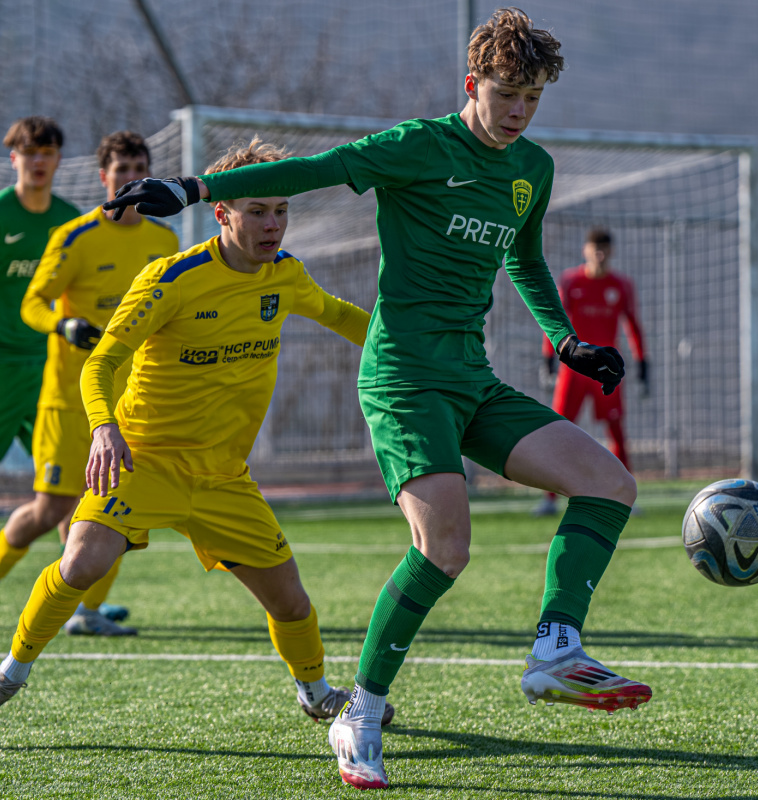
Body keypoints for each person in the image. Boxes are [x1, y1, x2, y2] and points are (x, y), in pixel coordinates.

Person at [100, 8, 652, 789]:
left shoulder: (533, 166)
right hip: (401, 377)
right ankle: (358, 714)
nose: (520, 111)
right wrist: (193, 187)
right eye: (506, 94)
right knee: (445, 549)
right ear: (473, 85)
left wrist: (563, 340)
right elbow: (310, 172)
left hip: (471, 376)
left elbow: (524, 258)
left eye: (532, 97)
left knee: (609, 481)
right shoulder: (418, 146)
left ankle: (556, 649)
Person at [0, 136, 394, 728]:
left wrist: (405, 355)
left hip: (223, 479)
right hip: (144, 462)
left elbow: (337, 313)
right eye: (257, 211)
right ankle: (10, 673)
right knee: (81, 560)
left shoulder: (286, 276)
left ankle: (315, 692)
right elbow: (102, 363)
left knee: (291, 600)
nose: (273, 225)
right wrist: (105, 430)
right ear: (223, 213)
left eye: (281, 210)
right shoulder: (172, 278)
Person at [0, 131, 180, 637]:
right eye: (121, 170)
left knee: (119, 506)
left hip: (131, 403)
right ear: (104, 178)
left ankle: (88, 612)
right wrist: (63, 325)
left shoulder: (164, 242)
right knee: (51, 509)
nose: (130, 178)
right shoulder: (76, 236)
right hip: (69, 399)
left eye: (139, 169)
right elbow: (32, 303)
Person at [535, 227, 648, 516]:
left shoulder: (621, 285)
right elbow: (555, 321)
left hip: (606, 371)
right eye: (595, 248)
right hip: (574, 373)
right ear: (585, 250)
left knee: (616, 431)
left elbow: (632, 324)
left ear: (611, 251)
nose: (600, 254)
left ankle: (626, 496)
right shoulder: (571, 281)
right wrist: (548, 358)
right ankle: (549, 498)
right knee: (558, 430)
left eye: (605, 249)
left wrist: (642, 362)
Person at [0, 117, 79, 464]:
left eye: (47, 152)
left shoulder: (70, 220)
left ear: (59, 158)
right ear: (13, 158)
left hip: (50, 363)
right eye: (29, 152)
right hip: (3, 363)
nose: (38, 162)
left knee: (68, 472)